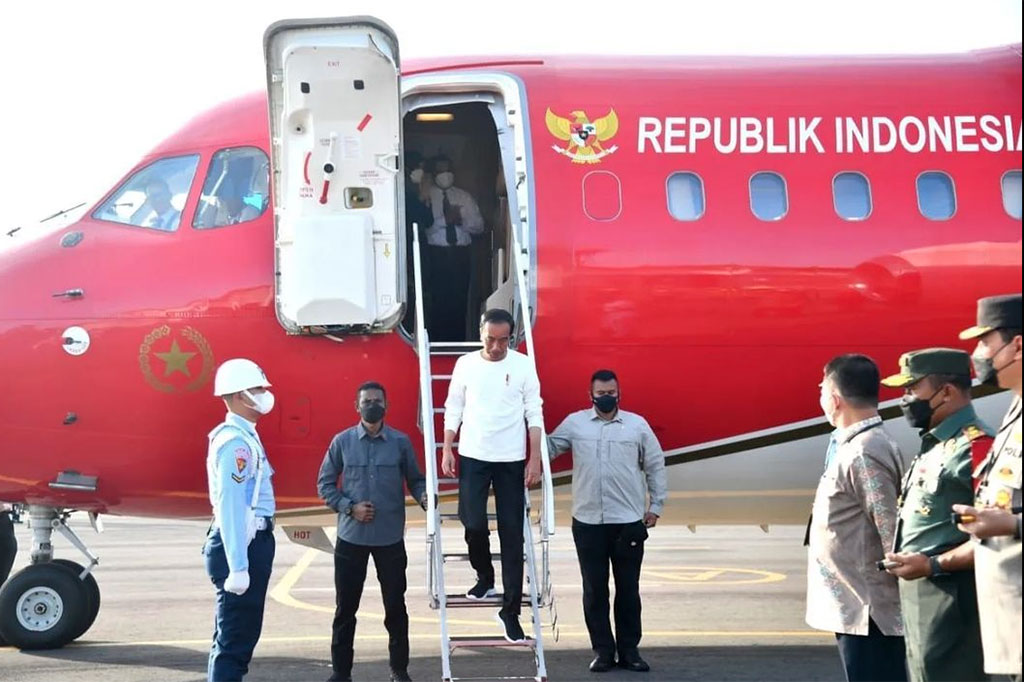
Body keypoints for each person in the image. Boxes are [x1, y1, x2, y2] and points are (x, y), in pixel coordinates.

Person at [881, 348, 993, 682]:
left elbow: (996, 538)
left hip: (952, 597)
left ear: (946, 391)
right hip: (922, 594)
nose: (905, 399)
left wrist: (931, 565)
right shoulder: (936, 443)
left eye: (912, 388)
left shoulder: (975, 447)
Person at [547, 369, 666, 673]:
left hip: (627, 521)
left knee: (628, 590)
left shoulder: (637, 425)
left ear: (619, 393)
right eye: (600, 393)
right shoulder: (575, 424)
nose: (606, 397)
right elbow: (547, 450)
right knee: (594, 591)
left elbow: (655, 464)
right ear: (590, 395)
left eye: (611, 392)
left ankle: (630, 652)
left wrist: (656, 505)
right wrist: (526, 426)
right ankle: (602, 652)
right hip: (588, 522)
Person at [440, 308, 544, 643]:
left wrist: (534, 459)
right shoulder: (466, 365)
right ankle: (484, 576)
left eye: (503, 341)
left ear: (511, 338)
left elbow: (534, 412)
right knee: (472, 522)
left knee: (512, 536)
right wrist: (447, 448)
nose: (497, 347)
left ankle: (510, 612)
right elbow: (453, 407)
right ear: (481, 334)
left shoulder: (523, 365)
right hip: (473, 455)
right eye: (490, 340)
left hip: (511, 459)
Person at [316, 381, 427, 682]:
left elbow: (416, 480)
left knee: (395, 608)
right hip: (351, 539)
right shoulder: (342, 442)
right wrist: (349, 507)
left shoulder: (400, 442)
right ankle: (341, 673)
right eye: (366, 401)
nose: (372, 405)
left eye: (377, 401)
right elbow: (325, 484)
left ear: (386, 406)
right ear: (357, 406)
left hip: (390, 539)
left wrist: (424, 497)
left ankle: (399, 670)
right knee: (345, 610)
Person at [805, 355, 906, 682]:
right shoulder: (855, 443)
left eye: (822, 390)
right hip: (856, 602)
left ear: (835, 399)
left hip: (868, 609)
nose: (820, 397)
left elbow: (889, 526)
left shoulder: (864, 450)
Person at [953, 293, 1022, 681]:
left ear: (1018, 345)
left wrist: (1011, 525)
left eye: (984, 342)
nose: (977, 355)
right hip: (1012, 628)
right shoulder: (1015, 409)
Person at [203, 358, 278, 682]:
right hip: (244, 544)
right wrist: (238, 566)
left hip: (249, 541)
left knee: (233, 636)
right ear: (238, 396)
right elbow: (231, 506)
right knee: (235, 641)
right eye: (257, 389)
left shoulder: (245, 437)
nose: (264, 395)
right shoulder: (236, 444)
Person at [424, 155, 484, 341]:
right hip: (436, 255)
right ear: (433, 173)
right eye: (440, 170)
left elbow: (479, 227)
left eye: (448, 170)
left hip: (460, 255)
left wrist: (461, 221)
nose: (445, 174)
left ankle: (457, 339)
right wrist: (445, 220)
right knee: (437, 300)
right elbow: (423, 227)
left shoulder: (463, 196)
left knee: (459, 300)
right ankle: (436, 340)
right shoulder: (427, 195)